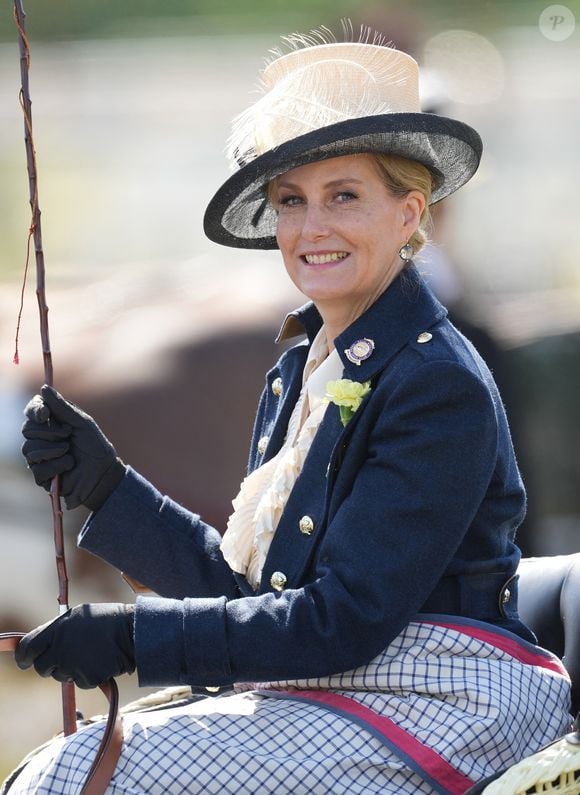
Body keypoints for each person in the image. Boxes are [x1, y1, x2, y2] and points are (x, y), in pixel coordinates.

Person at [10, 27, 571, 795]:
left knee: (78, 773)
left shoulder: (436, 381)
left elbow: (337, 621)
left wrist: (131, 635)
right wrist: (105, 486)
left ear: (410, 214)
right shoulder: (297, 372)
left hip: (450, 694)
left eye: (344, 196)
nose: (312, 229)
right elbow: (256, 600)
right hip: (345, 679)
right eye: (291, 202)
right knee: (64, 762)